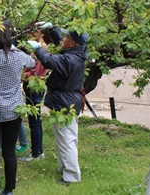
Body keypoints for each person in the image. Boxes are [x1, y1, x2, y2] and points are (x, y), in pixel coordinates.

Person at [0, 22, 35, 195]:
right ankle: (9, 189)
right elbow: (32, 62)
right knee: (9, 151)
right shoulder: (16, 56)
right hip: (13, 110)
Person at [27, 26, 88, 186]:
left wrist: (38, 48)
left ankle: (71, 176)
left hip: (65, 104)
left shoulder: (71, 60)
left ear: (73, 43)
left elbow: (49, 61)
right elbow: (61, 41)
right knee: (64, 139)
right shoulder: (75, 53)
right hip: (65, 102)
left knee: (67, 139)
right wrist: (52, 29)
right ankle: (64, 169)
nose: (63, 39)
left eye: (67, 37)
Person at [18, 21, 55, 162]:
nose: (28, 36)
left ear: (38, 32)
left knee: (34, 121)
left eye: (29, 32)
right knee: (34, 120)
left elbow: (37, 73)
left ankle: (37, 153)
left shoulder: (42, 50)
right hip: (32, 86)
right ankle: (36, 151)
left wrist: (21, 75)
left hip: (35, 87)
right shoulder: (38, 49)